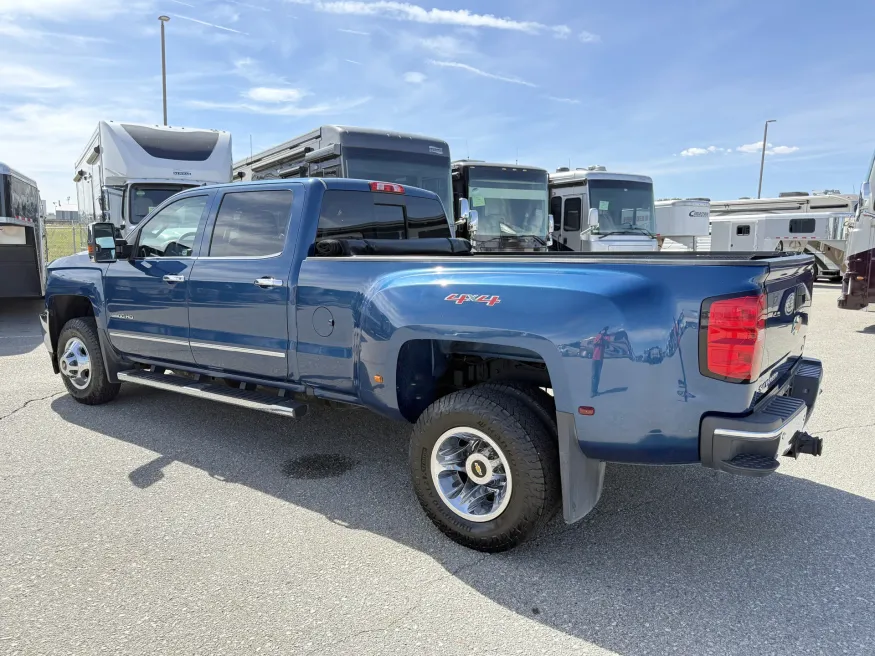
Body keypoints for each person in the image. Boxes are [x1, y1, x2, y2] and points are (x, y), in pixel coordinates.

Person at [591, 326, 613, 398]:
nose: (605, 331)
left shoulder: (607, 337)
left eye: (606, 330)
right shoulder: (598, 336)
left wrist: (603, 337)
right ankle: (593, 391)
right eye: (604, 329)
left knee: (597, 375)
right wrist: (600, 335)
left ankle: (595, 391)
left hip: (600, 359)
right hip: (595, 358)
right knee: (594, 375)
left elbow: (607, 344)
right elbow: (594, 343)